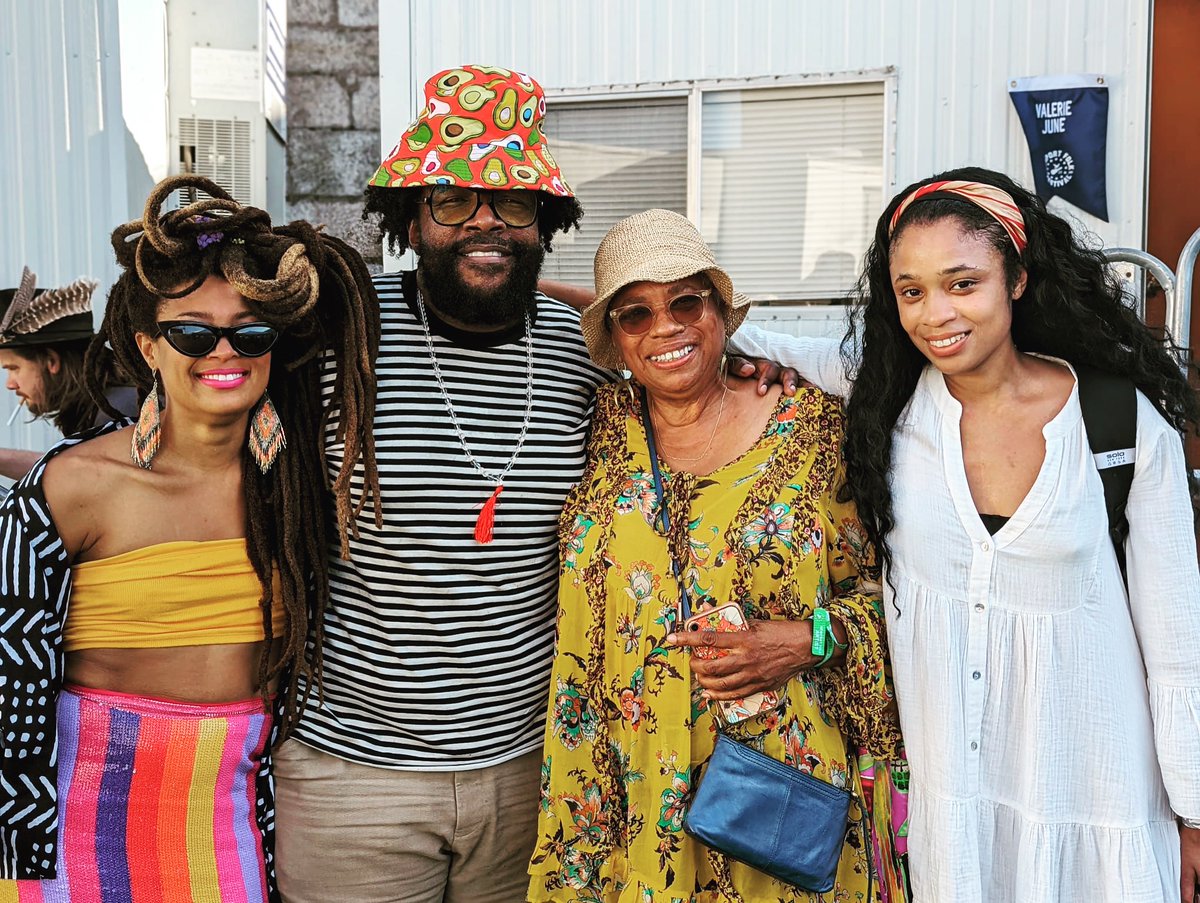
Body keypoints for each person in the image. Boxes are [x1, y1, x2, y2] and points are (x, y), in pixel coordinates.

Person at [271, 64, 789, 903]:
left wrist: (742, 358)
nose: (485, 222)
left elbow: (672, 336)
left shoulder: (584, 350)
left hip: (533, 772)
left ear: (543, 221)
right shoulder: (345, 335)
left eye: (511, 203)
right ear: (411, 217)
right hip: (353, 779)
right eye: (452, 199)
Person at [733, 167, 1200, 903]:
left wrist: (1194, 813)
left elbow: (1178, 645)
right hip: (959, 822)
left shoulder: (1121, 427)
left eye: (962, 283)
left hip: (1099, 808)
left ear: (1015, 278)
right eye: (911, 290)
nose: (935, 314)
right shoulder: (885, 392)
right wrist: (581, 309)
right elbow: (723, 334)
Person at [0, 174, 380, 899]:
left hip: (227, 823)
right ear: (148, 345)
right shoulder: (71, 488)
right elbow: (10, 701)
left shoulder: (296, 492)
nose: (223, 350)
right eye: (193, 331)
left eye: (251, 330)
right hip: (79, 821)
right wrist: (17, 867)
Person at [526, 209, 903, 901]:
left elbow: (905, 599)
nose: (664, 326)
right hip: (622, 800)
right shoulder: (603, 427)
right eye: (635, 314)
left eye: (686, 302)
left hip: (774, 801)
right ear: (615, 338)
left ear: (722, 312)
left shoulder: (815, 430)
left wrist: (806, 638)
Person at [0, 269, 137, 480]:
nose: (10, 384)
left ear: (51, 361)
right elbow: (74, 470)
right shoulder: (103, 406)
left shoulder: (119, 414)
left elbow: (83, 481)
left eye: (13, 368)